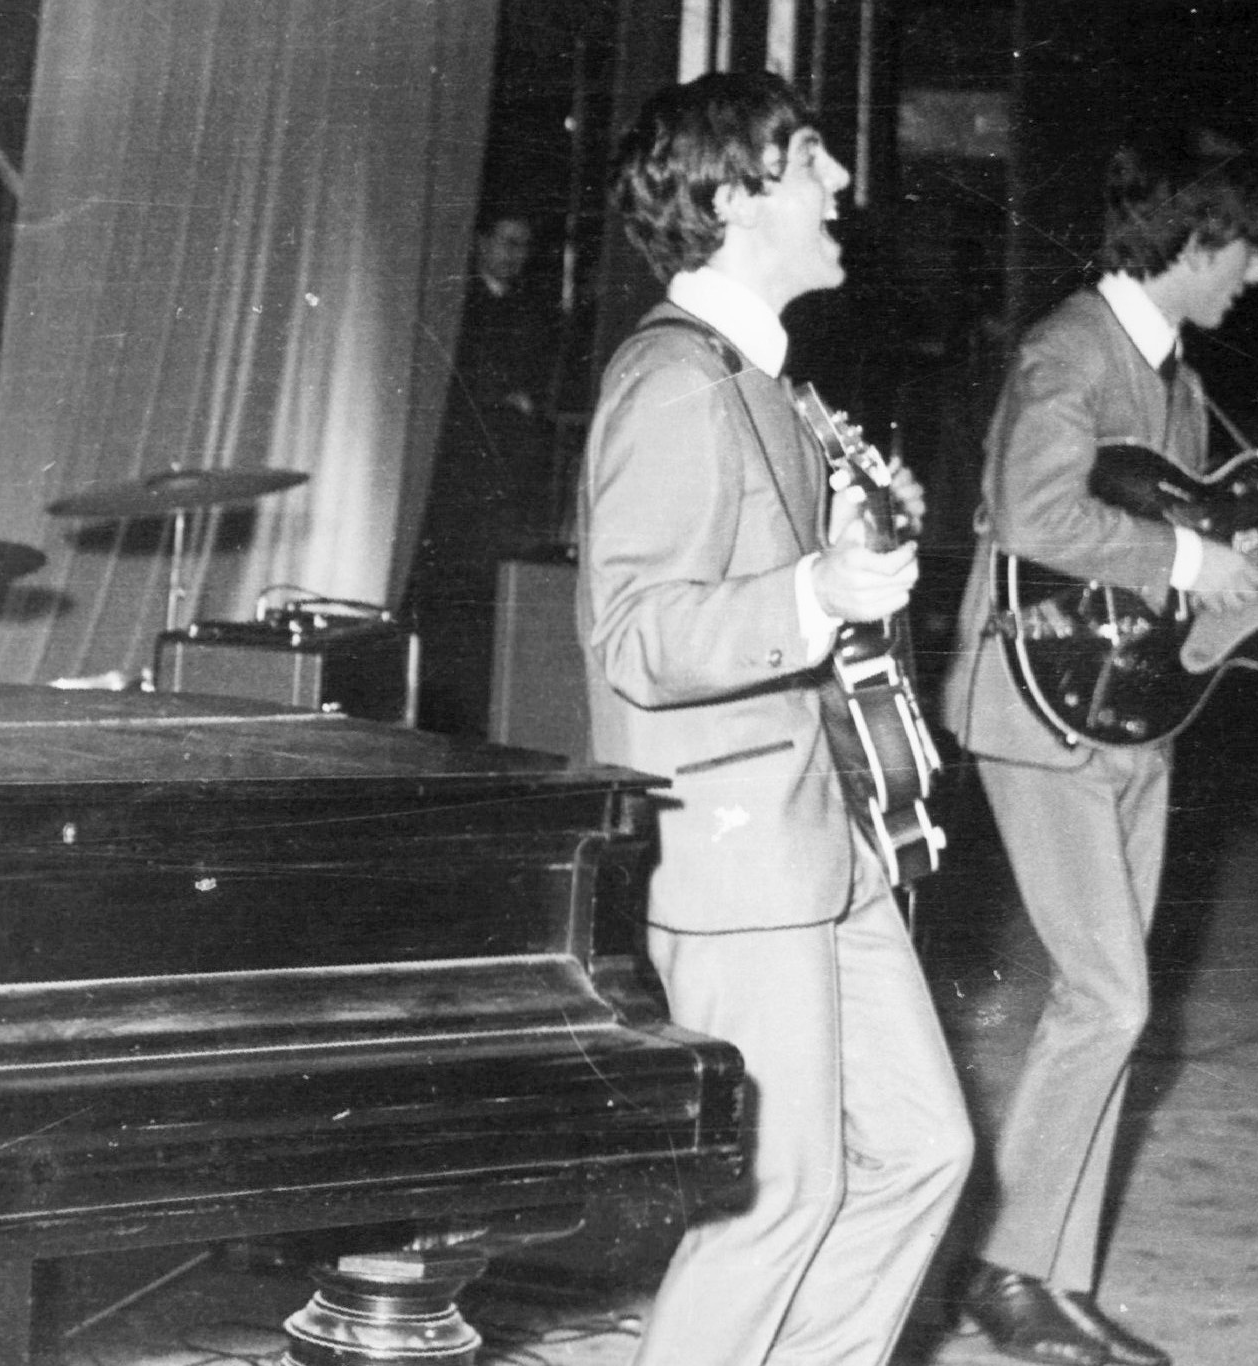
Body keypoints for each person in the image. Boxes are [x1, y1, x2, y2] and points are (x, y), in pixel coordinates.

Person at [939, 137, 1258, 1366]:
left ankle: (1051, 1278)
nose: (1254, 275)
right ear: (1195, 241)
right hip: (1038, 703)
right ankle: (1002, 1269)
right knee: (1110, 995)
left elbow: (1194, 578)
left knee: (1107, 1002)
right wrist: (1197, 558)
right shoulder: (1071, 349)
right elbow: (1034, 514)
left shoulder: (1180, 383)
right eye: (1243, 250)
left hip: (1131, 710)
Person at [577, 73, 971, 1366]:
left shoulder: (765, 377)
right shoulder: (674, 380)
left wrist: (855, 541)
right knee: (780, 1195)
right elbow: (635, 632)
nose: (840, 180)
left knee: (920, 1148)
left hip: (820, 834)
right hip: (739, 854)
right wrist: (814, 590)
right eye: (808, 157)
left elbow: (788, 577)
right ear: (736, 194)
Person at [410, 211, 557, 737]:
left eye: (524, 246)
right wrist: (502, 400)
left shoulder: (531, 313)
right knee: (449, 601)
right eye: (508, 242)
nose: (516, 256)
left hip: (505, 482)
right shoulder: (458, 305)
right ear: (481, 243)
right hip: (457, 479)